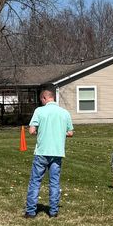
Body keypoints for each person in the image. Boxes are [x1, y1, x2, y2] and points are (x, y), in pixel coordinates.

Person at [24, 89, 74, 218]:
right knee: (54, 182)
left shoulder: (39, 111)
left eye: (41, 100)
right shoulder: (64, 113)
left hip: (42, 151)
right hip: (57, 152)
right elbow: (70, 133)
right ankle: (53, 211)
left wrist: (41, 131)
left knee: (35, 181)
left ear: (44, 98)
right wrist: (59, 132)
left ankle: (31, 211)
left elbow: (31, 130)